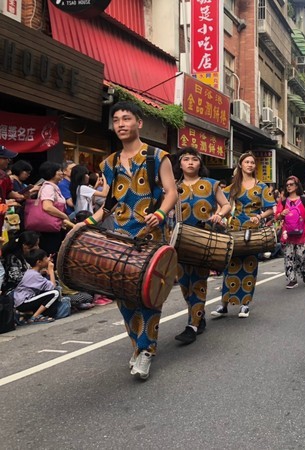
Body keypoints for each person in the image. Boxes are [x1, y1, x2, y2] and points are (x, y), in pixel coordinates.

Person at [70, 101, 177, 380]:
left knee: (148, 295)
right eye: (116, 119)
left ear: (138, 123)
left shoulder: (157, 156)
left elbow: (171, 192)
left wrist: (161, 213)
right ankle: (137, 344)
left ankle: (145, 350)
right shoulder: (109, 163)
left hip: (150, 236)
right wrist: (88, 223)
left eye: (126, 118)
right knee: (121, 294)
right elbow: (109, 204)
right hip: (118, 237)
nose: (120, 124)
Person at [172, 147, 231, 345]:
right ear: (180, 163)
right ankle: (199, 317)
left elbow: (226, 205)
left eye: (194, 159)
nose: (190, 162)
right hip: (179, 242)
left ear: (200, 164)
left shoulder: (211, 184)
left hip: (203, 240)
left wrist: (219, 215)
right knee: (184, 284)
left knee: (198, 281)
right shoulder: (172, 186)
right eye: (186, 159)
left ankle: (192, 325)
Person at [210, 152, 275, 319]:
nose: (250, 165)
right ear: (240, 165)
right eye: (247, 162)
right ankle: (224, 304)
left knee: (249, 266)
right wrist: (220, 216)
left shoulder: (262, 187)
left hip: (252, 230)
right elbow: (222, 204)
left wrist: (259, 216)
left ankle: (245, 304)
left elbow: (270, 209)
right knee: (229, 266)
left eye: (252, 162)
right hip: (234, 228)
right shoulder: (232, 187)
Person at [275, 175, 305, 289]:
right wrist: (281, 214)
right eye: (287, 185)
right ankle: (292, 280)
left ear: (297, 186)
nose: (288, 187)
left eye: (291, 184)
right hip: (287, 235)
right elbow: (277, 217)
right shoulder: (283, 201)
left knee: (302, 257)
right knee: (288, 257)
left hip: (303, 234)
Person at [36, 161, 74, 255]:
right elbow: (47, 206)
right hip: (49, 228)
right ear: (51, 172)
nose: (62, 173)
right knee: (51, 252)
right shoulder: (48, 187)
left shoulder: (53, 187)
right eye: (59, 171)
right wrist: (64, 215)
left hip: (53, 227)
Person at [12, 248, 59, 323]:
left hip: (22, 301)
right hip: (23, 302)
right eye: (46, 258)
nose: (48, 260)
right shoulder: (34, 275)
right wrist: (51, 270)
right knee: (55, 293)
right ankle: (35, 317)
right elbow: (52, 287)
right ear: (39, 262)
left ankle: (27, 314)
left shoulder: (32, 272)